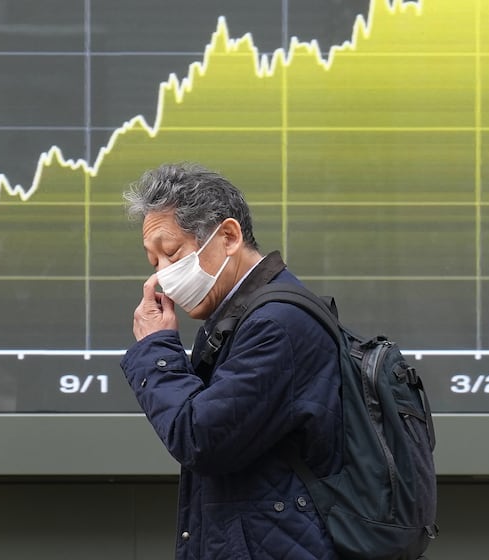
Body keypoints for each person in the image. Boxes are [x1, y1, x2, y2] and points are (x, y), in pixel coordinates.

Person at [120, 162, 343, 560]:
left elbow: (201, 438)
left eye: (171, 253)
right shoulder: (240, 318)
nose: (161, 278)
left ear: (228, 236)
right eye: (154, 262)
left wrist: (155, 349)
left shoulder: (275, 324)